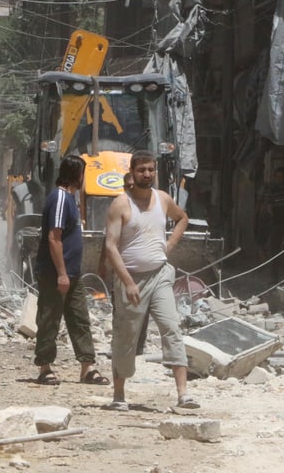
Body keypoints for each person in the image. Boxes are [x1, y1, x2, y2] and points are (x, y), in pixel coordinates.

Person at [104, 150, 199, 411]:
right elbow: (111, 247)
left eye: (151, 169)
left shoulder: (163, 199)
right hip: (131, 280)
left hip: (159, 275)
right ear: (132, 172)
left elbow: (182, 219)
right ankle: (119, 395)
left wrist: (168, 245)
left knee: (171, 327)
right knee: (127, 335)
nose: (147, 174)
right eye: (141, 170)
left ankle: (183, 394)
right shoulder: (121, 205)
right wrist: (128, 282)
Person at [33, 154, 110, 386]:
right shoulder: (59, 198)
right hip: (56, 274)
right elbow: (54, 238)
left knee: (79, 319)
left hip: (72, 274)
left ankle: (87, 367)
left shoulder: (71, 200)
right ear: (76, 175)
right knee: (49, 318)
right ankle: (45, 367)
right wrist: (62, 273)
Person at [97, 172, 149, 356]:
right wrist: (102, 262)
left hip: (141, 269)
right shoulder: (119, 207)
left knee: (142, 308)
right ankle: (119, 345)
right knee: (119, 308)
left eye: (132, 185)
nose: (129, 189)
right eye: (126, 186)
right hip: (120, 269)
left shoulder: (147, 208)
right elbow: (108, 239)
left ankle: (138, 348)